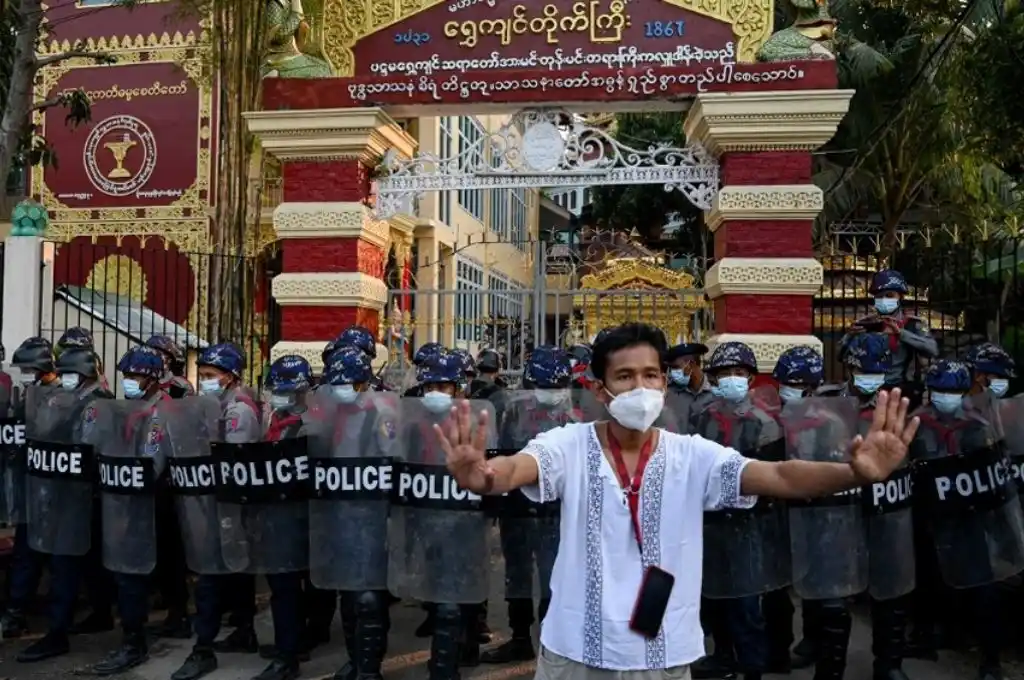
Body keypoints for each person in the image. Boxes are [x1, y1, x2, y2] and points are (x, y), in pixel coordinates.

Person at [435, 322, 918, 680]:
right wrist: (481, 476)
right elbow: (516, 469)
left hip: (662, 653)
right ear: (600, 390)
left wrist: (854, 472)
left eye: (651, 374)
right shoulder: (568, 444)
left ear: (666, 383)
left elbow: (778, 475)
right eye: (625, 377)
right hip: (574, 652)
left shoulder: (692, 456)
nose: (640, 387)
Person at [907, 360, 1023, 680]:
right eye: (941, 390)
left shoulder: (978, 425)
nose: (948, 397)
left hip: (969, 518)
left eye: (954, 391)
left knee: (982, 587)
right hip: (929, 516)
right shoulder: (914, 424)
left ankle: (990, 660)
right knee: (926, 580)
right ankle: (928, 636)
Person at [691, 341, 789, 680]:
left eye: (738, 374)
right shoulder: (702, 417)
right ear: (714, 379)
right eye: (724, 374)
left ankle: (752, 668)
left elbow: (772, 474)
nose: (731, 379)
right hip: (711, 519)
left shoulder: (765, 423)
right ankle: (723, 655)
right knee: (714, 592)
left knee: (746, 601)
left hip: (749, 521)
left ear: (750, 378)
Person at [482, 346, 581, 665]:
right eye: (542, 387)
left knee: (555, 575)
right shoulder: (512, 410)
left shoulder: (576, 415)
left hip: (557, 511)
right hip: (518, 505)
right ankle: (521, 637)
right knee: (518, 573)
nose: (549, 394)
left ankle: (552, 643)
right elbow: (498, 451)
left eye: (556, 388)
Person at [171, 342, 262, 680]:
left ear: (229, 376)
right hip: (222, 501)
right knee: (235, 570)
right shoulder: (218, 404)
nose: (204, 380)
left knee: (210, 574)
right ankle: (244, 630)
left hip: (227, 502)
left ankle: (202, 648)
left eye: (210, 375)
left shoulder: (238, 411)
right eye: (203, 374)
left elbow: (232, 458)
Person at [17, 346, 114, 663]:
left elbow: (87, 445)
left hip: (80, 494)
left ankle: (57, 633)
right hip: (73, 492)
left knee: (65, 562)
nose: (63, 378)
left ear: (83, 374)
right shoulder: (70, 398)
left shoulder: (96, 404)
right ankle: (99, 614)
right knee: (87, 562)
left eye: (69, 373)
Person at [775, 346, 862, 680]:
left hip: (824, 515)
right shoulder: (771, 418)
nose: (798, 391)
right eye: (792, 383)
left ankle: (830, 669)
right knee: (780, 590)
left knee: (830, 597)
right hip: (780, 512)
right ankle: (786, 650)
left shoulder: (831, 422)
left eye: (806, 385)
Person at [310, 346, 396, 680]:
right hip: (338, 512)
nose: (339, 388)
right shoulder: (333, 412)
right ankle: (355, 659)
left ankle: (370, 668)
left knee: (367, 595)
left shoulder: (381, 413)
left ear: (362, 382)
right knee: (347, 592)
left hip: (371, 515)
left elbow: (392, 462)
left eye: (346, 382)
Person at [89, 345, 172, 674]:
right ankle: (131, 633)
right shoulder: (124, 409)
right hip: (120, 500)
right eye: (126, 376)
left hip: (147, 503)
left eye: (135, 376)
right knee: (124, 571)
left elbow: (153, 460)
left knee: (132, 573)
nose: (129, 382)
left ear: (151, 379)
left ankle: (134, 642)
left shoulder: (158, 415)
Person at [252, 355, 315, 680]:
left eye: (285, 390)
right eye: (275, 389)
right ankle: (290, 643)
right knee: (284, 585)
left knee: (289, 585)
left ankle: (288, 655)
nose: (278, 395)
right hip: (277, 513)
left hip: (299, 514)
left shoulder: (311, 424)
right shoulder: (274, 417)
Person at [1, 337, 58, 638]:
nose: (23, 373)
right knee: (25, 552)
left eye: (28, 368)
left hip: (56, 492)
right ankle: (16, 611)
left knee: (59, 560)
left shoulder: (62, 396)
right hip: (30, 488)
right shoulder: (26, 393)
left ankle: (56, 621)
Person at [842, 269, 938, 401]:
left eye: (889, 295)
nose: (883, 299)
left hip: (901, 389)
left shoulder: (912, 324)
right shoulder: (866, 323)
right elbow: (841, 356)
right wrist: (849, 336)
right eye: (879, 296)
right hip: (867, 389)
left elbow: (933, 349)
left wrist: (901, 333)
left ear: (901, 297)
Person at [658, 342, 712, 434]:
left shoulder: (716, 392)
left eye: (676, 367)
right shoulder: (669, 394)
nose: (672, 373)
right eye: (670, 368)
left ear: (691, 364)